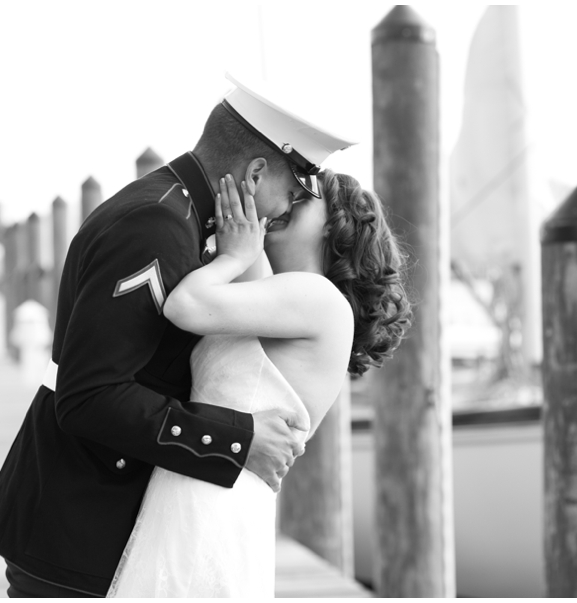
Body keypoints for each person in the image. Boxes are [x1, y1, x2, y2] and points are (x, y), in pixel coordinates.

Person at [0, 74, 356, 598]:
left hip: (95, 512)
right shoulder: (155, 225)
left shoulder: (179, 213)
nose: (282, 212)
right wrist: (238, 440)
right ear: (257, 171)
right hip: (77, 522)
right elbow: (90, 396)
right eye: (289, 194)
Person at [107, 168, 411, 597]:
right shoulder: (273, 291)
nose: (285, 202)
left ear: (336, 224)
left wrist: (232, 258)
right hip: (189, 486)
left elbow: (186, 305)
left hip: (218, 503)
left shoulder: (322, 301)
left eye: (302, 196)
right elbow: (244, 228)